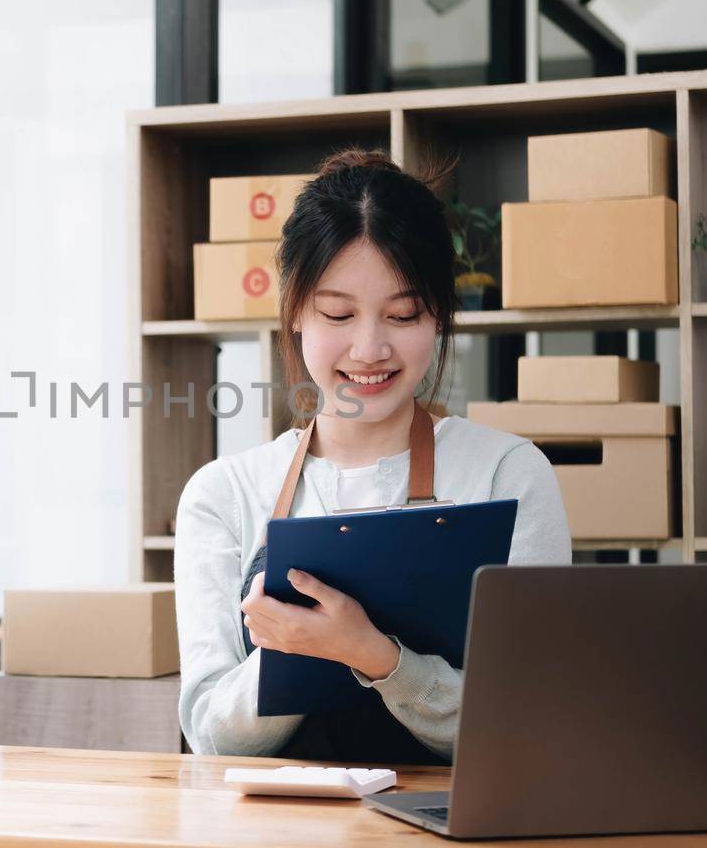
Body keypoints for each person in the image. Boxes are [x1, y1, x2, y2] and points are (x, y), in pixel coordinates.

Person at [174, 148, 572, 765]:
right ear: (297, 311)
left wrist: (376, 657)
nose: (369, 347)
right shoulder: (223, 494)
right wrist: (300, 645)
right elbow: (209, 735)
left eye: (402, 313)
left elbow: (528, 721)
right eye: (338, 313)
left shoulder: (506, 475)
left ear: (437, 314)